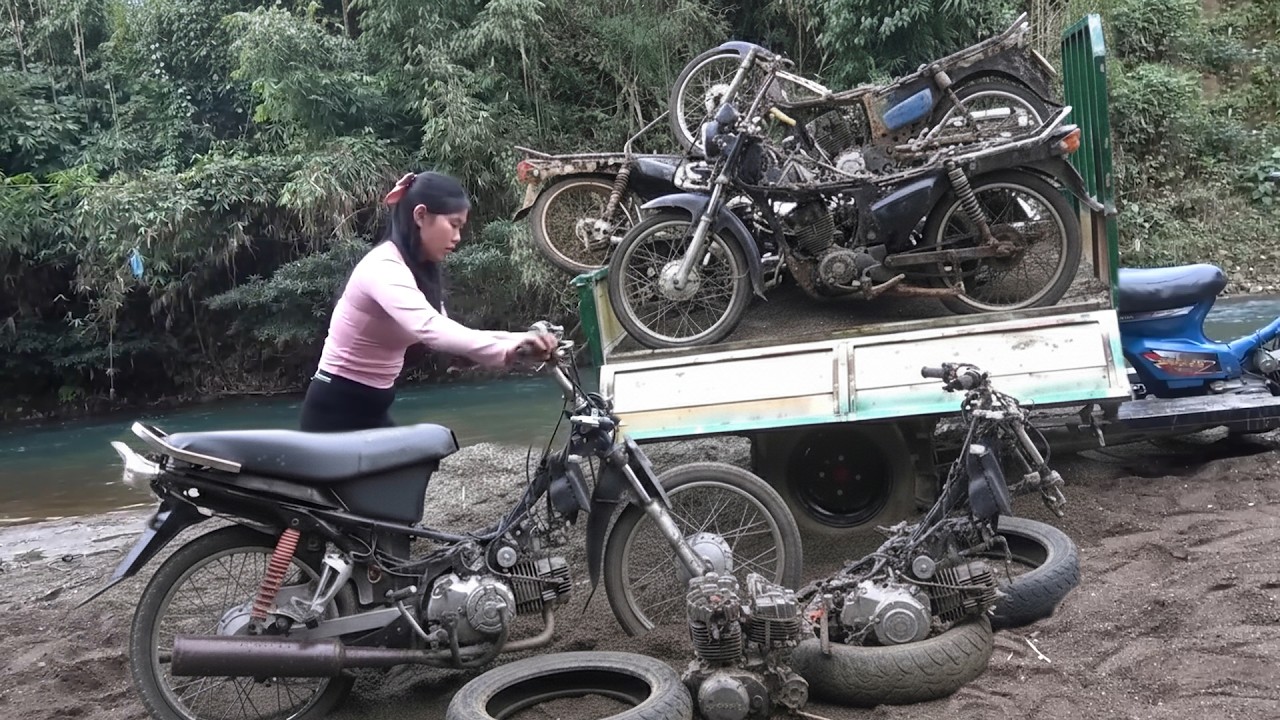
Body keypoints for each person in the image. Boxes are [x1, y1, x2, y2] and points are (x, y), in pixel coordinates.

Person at [299, 171, 557, 432]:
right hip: (336, 411)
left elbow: (452, 332)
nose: (457, 237)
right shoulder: (383, 267)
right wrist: (507, 350)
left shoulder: (417, 272)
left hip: (371, 406)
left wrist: (519, 340)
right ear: (420, 215)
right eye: (453, 224)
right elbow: (432, 329)